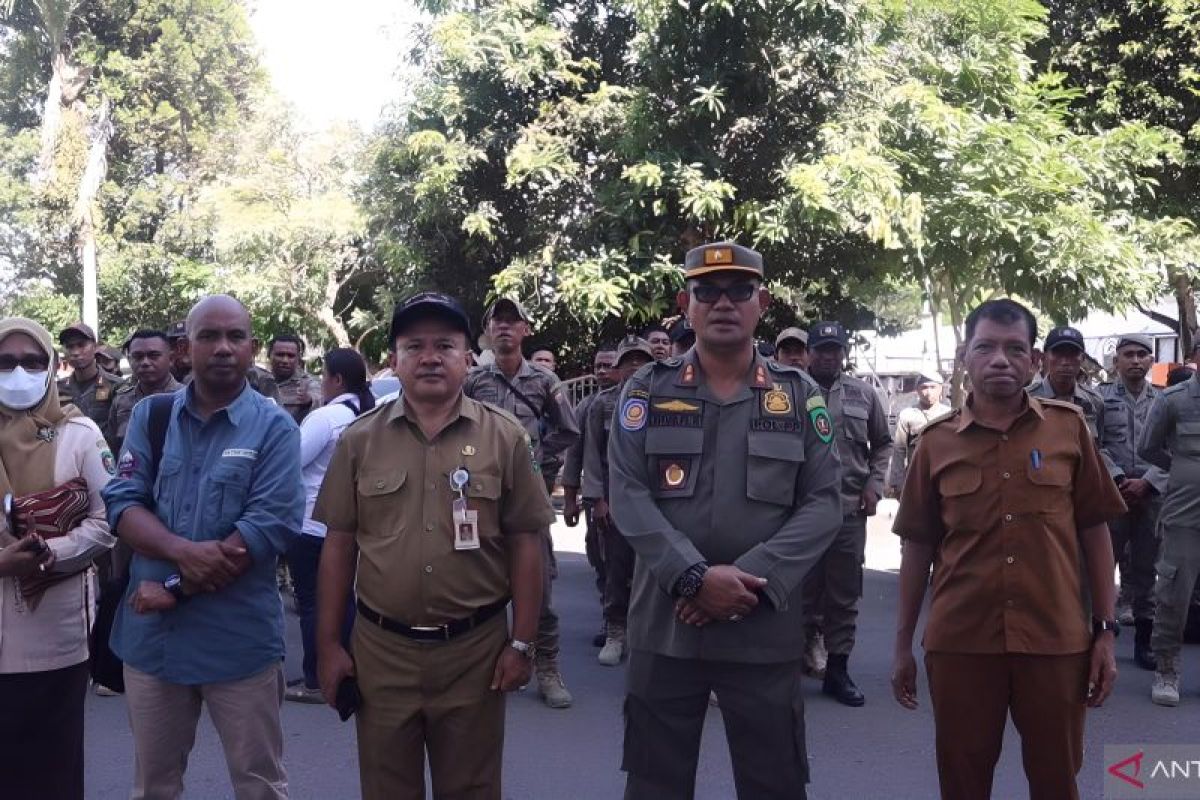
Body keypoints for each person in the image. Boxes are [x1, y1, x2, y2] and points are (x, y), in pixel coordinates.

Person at [609, 241, 842, 800]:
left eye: (739, 290)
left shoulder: (799, 394)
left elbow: (824, 503)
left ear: (761, 302)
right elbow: (627, 494)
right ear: (684, 304)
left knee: (774, 785)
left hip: (761, 631)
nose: (722, 302)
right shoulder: (645, 390)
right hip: (667, 629)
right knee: (654, 786)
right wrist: (694, 578)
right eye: (706, 291)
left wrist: (748, 581)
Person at [313, 292, 552, 800]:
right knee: (386, 789)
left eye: (445, 345)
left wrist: (523, 642)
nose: (429, 357)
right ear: (394, 361)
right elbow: (339, 545)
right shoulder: (359, 440)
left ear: (468, 357)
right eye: (413, 345)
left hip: (476, 653)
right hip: (382, 651)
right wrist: (328, 644)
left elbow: (526, 544)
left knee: (472, 788)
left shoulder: (506, 438)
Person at [891, 298, 1124, 800]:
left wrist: (1105, 631)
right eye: (986, 347)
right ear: (963, 356)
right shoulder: (935, 444)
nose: (1000, 359)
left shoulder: (1069, 429)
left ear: (1034, 361)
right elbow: (918, 549)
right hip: (961, 644)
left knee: (1057, 781)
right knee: (963, 781)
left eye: (1015, 348)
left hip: (1056, 643)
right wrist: (902, 645)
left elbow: (1095, 532)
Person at [101, 295, 303, 800]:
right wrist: (183, 553)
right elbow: (122, 504)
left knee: (259, 786)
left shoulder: (274, 426)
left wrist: (175, 585)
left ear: (251, 347)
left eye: (235, 337)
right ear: (184, 349)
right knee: (154, 787)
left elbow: (268, 525)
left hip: (239, 645)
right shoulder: (152, 417)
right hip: (155, 645)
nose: (222, 347)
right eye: (208, 336)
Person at [0, 317, 116, 800]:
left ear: (51, 367)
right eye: (6, 362)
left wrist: (52, 552)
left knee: (51, 772)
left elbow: (109, 520)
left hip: (54, 639)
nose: (20, 373)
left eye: (32, 361)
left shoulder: (80, 434)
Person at [463, 297, 580, 709]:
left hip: (528, 497)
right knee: (477, 579)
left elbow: (568, 431)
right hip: (482, 496)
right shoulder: (474, 381)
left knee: (539, 582)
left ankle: (547, 665)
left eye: (514, 322)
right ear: (488, 330)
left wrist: (535, 461)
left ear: (526, 330)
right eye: (498, 321)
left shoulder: (545, 382)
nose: (505, 328)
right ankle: (484, 664)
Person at [804, 321, 893, 705]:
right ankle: (786, 665)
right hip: (798, 513)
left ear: (843, 353)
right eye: (821, 349)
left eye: (834, 349)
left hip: (847, 511)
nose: (828, 356)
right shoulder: (786, 391)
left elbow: (884, 445)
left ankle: (837, 671)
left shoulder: (864, 394)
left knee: (843, 595)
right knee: (792, 592)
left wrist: (874, 484)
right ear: (809, 352)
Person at [284, 348, 375, 704]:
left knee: (313, 603)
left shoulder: (328, 417)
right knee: (345, 600)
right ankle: (350, 667)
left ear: (337, 380)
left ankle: (316, 678)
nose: (320, 382)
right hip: (351, 526)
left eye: (323, 376)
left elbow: (290, 464)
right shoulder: (371, 414)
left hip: (311, 523)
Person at [583, 335, 655, 666]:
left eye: (642, 360)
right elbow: (591, 456)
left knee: (653, 571)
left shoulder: (667, 398)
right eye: (629, 362)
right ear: (618, 367)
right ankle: (615, 631)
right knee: (615, 567)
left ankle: (647, 634)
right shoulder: (603, 403)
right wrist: (596, 499)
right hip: (615, 500)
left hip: (655, 501)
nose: (636, 367)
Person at [1098, 334, 1165, 671]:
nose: (1136, 360)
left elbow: (1174, 448)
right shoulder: (1099, 398)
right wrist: (1118, 479)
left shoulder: (1166, 399)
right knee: (1100, 566)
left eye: (1142, 354)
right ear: (1117, 361)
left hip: (1151, 497)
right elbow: (1092, 443)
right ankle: (1096, 637)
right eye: (1129, 355)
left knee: (1145, 570)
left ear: (1150, 360)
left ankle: (1144, 641)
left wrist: (1149, 482)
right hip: (1113, 494)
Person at [1139, 340, 1200, 707]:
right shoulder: (1173, 400)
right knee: (1174, 591)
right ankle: (1166, 668)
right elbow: (1149, 447)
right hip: (1184, 511)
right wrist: (1183, 469)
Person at [561, 344, 619, 646]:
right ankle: (611, 621)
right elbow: (575, 456)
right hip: (598, 495)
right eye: (598, 366)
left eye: (609, 365)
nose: (603, 371)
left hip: (630, 496)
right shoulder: (587, 406)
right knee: (600, 558)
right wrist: (571, 499)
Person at [1029, 326, 1118, 477]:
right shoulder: (1027, 398)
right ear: (1044, 358)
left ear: (1082, 359)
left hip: (1083, 483)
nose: (1065, 362)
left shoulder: (1094, 402)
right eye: (1058, 354)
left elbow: (1099, 448)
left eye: (1072, 355)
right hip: (1040, 482)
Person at [109, 329, 182, 454]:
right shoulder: (121, 400)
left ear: (170, 358)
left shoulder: (186, 398)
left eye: (154, 356)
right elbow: (113, 448)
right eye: (137, 357)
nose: (145, 362)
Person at [57, 321, 123, 447]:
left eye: (81, 345)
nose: (75, 352)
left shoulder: (116, 386)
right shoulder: (57, 389)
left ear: (95, 347)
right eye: (70, 347)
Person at [886, 372, 950, 497]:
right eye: (924, 387)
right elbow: (899, 448)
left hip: (945, 476)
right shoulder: (908, 415)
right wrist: (897, 482)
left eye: (933, 387)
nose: (928, 392)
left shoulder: (950, 414)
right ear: (917, 390)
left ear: (940, 389)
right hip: (916, 476)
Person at [269, 334, 323, 424]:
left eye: (291, 356)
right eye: (280, 355)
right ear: (269, 355)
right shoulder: (258, 379)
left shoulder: (308, 383)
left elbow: (320, 398)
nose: (285, 360)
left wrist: (309, 400)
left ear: (298, 358)